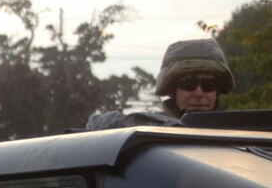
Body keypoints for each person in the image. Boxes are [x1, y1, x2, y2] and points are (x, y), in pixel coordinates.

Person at [87, 38, 235, 129]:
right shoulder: (149, 130)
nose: (199, 93)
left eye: (209, 85)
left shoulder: (237, 134)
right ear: (172, 89)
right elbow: (95, 125)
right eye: (189, 84)